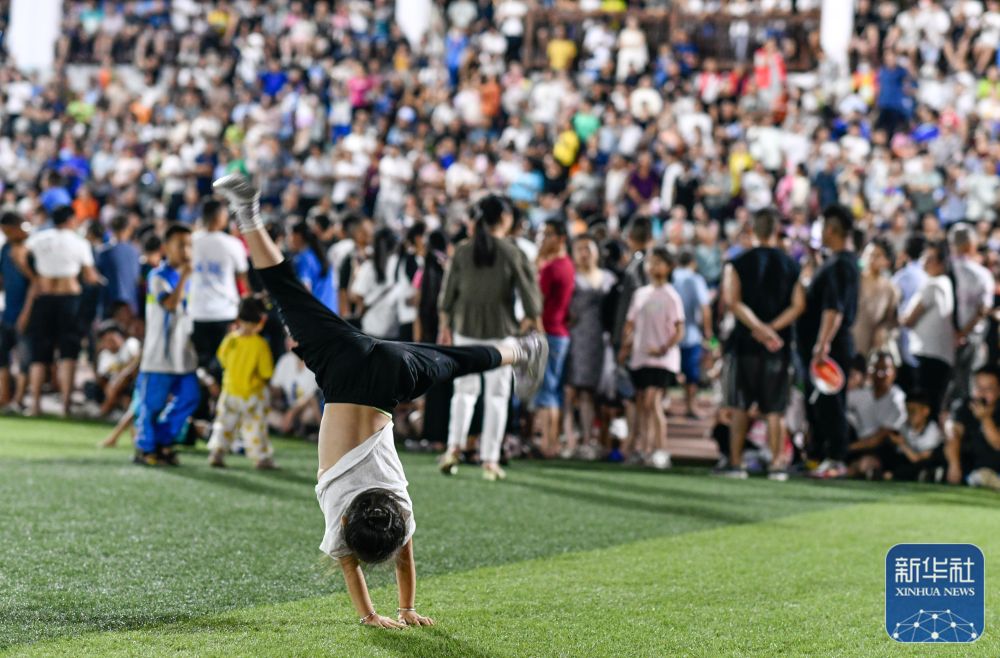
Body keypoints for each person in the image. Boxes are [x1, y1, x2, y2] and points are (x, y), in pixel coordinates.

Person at [213, 174, 546, 629]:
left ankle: (517, 351)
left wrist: (406, 607)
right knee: (287, 293)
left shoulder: (398, 504)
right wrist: (372, 616)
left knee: (452, 361)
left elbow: (405, 556)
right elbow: (352, 565)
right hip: (342, 365)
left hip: (391, 372)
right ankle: (247, 215)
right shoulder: (339, 511)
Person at [438, 195, 543, 480]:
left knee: (463, 393)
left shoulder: (462, 250)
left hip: (464, 329)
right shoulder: (512, 251)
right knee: (497, 397)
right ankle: (489, 460)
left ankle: (454, 449)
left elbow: (447, 295)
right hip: (502, 334)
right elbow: (530, 294)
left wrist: (444, 325)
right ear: (505, 220)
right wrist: (533, 319)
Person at [720, 208, 804, 479]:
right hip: (778, 345)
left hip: (745, 343)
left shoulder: (738, 261)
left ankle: (736, 463)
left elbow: (732, 300)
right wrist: (772, 330)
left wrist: (757, 328)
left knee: (740, 405)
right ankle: (777, 465)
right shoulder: (792, 264)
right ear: (776, 230)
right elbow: (798, 305)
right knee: (775, 409)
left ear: (753, 230)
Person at [796, 204, 860, 479]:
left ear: (831, 230)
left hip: (829, 348)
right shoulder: (841, 263)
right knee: (819, 403)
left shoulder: (839, 264)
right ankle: (820, 456)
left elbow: (834, 309)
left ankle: (835, 458)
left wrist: (822, 345)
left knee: (830, 403)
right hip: (829, 345)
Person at [134, 224, 201, 466]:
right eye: (181, 245)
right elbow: (171, 304)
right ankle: (145, 448)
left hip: (183, 355)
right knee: (151, 405)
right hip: (159, 356)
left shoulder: (194, 279)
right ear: (166, 248)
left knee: (190, 397)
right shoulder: (157, 276)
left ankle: (163, 441)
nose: (187, 250)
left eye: (190, 245)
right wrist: (185, 276)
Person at [24, 205, 101, 416]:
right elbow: (89, 274)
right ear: (70, 220)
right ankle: (66, 405)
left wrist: (34, 277)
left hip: (44, 296)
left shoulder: (39, 238)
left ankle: (35, 404)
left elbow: (21, 255)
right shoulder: (79, 242)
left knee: (39, 354)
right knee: (69, 352)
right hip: (70, 299)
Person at [619, 246, 684, 469]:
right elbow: (630, 324)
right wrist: (624, 349)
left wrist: (664, 347)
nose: (653, 266)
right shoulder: (640, 294)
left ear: (669, 267)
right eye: (651, 262)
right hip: (640, 356)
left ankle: (660, 449)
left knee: (652, 401)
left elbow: (679, 328)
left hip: (662, 359)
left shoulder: (671, 295)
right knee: (641, 403)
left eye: (658, 262)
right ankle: (642, 448)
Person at [207, 296, 277, 470]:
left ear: (239, 319)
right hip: (253, 394)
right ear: (261, 320)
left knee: (223, 424)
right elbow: (266, 372)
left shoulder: (230, 339)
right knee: (255, 428)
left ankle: (217, 452)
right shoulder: (260, 345)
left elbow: (221, 359)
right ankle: (261, 458)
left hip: (230, 390)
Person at [562, 233, 616, 458]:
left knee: (590, 391)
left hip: (598, 340)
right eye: (579, 249)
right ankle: (569, 439)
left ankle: (588, 439)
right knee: (569, 389)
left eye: (588, 248)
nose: (584, 253)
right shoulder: (570, 277)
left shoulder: (609, 278)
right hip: (573, 338)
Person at [189, 199, 250, 383]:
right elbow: (243, 279)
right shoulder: (232, 244)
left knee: (202, 365)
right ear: (219, 217)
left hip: (197, 311)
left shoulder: (190, 241)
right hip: (225, 312)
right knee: (225, 364)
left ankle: (205, 407)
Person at [534, 219, 575, 458]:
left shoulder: (552, 268)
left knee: (547, 390)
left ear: (560, 238)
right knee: (552, 390)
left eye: (548, 234)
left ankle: (548, 444)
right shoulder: (567, 265)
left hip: (549, 332)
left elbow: (535, 302)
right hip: (559, 332)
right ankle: (551, 442)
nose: (542, 239)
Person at [901, 240, 956, 417]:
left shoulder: (932, 285)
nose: (924, 262)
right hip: (940, 357)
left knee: (923, 406)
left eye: (929, 258)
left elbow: (908, 320)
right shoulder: (946, 284)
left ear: (940, 263)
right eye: (924, 257)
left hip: (929, 356)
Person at [947, 224, 996, 408]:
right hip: (971, 338)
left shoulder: (941, 269)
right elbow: (983, 310)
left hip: (945, 339)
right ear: (971, 245)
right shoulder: (982, 275)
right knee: (968, 386)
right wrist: (963, 333)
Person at [845, 352, 908, 478]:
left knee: (886, 446)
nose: (880, 374)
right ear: (869, 372)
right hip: (859, 445)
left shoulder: (897, 399)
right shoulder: (861, 394)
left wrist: (845, 448)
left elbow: (878, 439)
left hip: (885, 449)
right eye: (876, 369)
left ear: (894, 372)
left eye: (885, 369)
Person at [672, 249, 713, 420]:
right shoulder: (695, 279)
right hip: (690, 333)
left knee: (671, 370)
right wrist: (708, 331)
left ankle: (665, 403)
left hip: (669, 333)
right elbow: (705, 307)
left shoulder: (671, 276)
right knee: (691, 372)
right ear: (693, 263)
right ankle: (690, 405)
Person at [946, 366, 1000, 490]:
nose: (982, 393)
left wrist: (985, 418)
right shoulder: (963, 406)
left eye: (989, 389)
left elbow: (997, 443)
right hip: (971, 465)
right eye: (979, 387)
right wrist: (954, 465)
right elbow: (953, 436)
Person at [0, 212, 31, 410]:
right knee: (2, 355)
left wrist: (26, 313)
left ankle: (19, 400)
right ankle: (4, 398)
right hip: (8, 311)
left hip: (26, 312)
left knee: (24, 358)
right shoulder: (5, 249)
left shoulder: (31, 249)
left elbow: (37, 284)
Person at [851, 238, 899, 358]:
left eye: (877, 255)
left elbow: (891, 320)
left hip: (870, 346)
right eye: (868, 254)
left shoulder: (890, 289)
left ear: (887, 261)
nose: (871, 259)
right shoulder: (853, 280)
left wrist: (883, 330)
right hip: (848, 341)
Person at [883, 391, 946, 482]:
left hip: (924, 463)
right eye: (907, 411)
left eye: (913, 411)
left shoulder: (933, 431)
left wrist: (902, 444)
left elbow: (917, 459)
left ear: (926, 411)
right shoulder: (902, 426)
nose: (909, 415)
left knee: (924, 464)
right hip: (907, 461)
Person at [95, 214, 141, 320]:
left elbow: (97, 277)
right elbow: (136, 277)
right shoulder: (135, 251)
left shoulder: (102, 251)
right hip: (130, 303)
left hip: (108, 301)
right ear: (129, 230)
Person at [291, 221, 339, 314]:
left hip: (317, 314)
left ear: (298, 236)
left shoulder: (303, 258)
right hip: (332, 312)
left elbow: (305, 289)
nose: (289, 239)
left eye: (291, 235)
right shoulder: (321, 255)